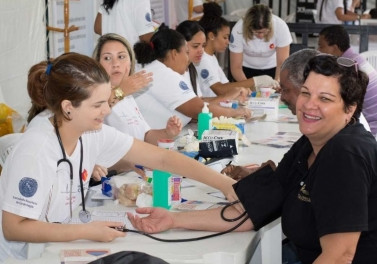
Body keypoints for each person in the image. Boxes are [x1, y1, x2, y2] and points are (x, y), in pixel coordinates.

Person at [128, 54, 377, 263]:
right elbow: (252, 210)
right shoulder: (310, 144)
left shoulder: (346, 153)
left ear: (350, 108)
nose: (309, 105)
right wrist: (174, 219)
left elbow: (340, 256)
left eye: (325, 98)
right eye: (305, 93)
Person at [0, 52, 238, 262]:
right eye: (98, 105)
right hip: (24, 257)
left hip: (59, 246)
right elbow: (14, 228)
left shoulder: (92, 132)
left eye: (107, 101)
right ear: (68, 107)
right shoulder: (36, 149)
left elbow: (162, 159)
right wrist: (86, 232)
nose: (107, 110)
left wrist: (225, 184)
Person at [90, 33, 182, 180]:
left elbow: (145, 136)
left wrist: (167, 133)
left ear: (130, 62)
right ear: (97, 65)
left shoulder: (128, 97)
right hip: (113, 181)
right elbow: (93, 114)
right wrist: (122, 91)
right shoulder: (93, 95)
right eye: (107, 58)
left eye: (121, 57)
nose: (115, 64)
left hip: (138, 175)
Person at [133, 24, 252, 129]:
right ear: (174, 54)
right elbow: (198, 108)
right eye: (186, 52)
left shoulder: (159, 70)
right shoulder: (163, 73)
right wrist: (233, 113)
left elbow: (195, 104)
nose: (188, 58)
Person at [195, 2, 279, 98]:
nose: (228, 42)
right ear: (211, 36)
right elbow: (220, 90)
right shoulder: (202, 59)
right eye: (225, 37)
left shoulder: (211, 58)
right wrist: (255, 81)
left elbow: (227, 86)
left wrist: (252, 89)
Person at [318, 25, 377, 136]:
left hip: (372, 127)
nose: (318, 51)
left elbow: (340, 106)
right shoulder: (355, 58)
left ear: (334, 48)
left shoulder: (347, 67)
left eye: (321, 47)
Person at [176, 20, 250, 103]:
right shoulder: (174, 73)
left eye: (203, 46)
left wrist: (235, 94)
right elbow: (196, 106)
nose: (201, 51)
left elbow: (200, 101)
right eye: (195, 46)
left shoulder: (191, 68)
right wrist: (254, 82)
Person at [229, 4, 292, 82]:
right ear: (249, 27)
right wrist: (248, 87)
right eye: (256, 32)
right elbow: (236, 67)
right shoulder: (238, 29)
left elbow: (282, 63)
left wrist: (277, 82)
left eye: (264, 32)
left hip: (273, 69)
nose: (261, 35)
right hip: (245, 70)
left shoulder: (281, 27)